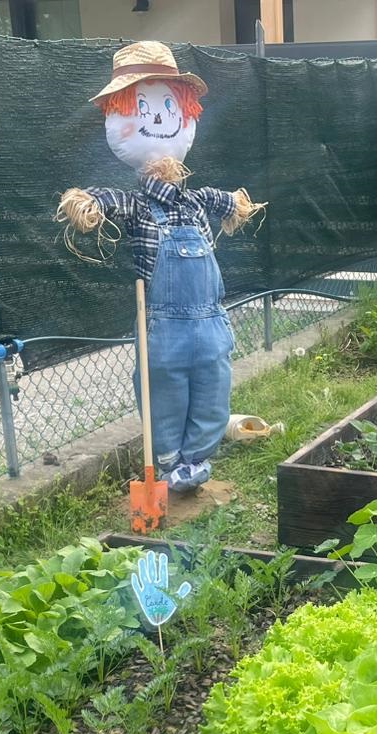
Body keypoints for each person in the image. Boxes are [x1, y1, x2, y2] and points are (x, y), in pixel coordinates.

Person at [56, 42, 263, 494]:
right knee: (162, 394)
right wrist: (88, 203)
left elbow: (228, 203)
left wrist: (237, 205)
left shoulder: (197, 198)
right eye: (144, 107)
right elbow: (107, 201)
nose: (159, 117)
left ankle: (198, 460)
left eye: (170, 105)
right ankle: (168, 464)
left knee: (213, 390)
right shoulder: (138, 206)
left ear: (185, 112)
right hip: (163, 326)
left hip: (210, 321)